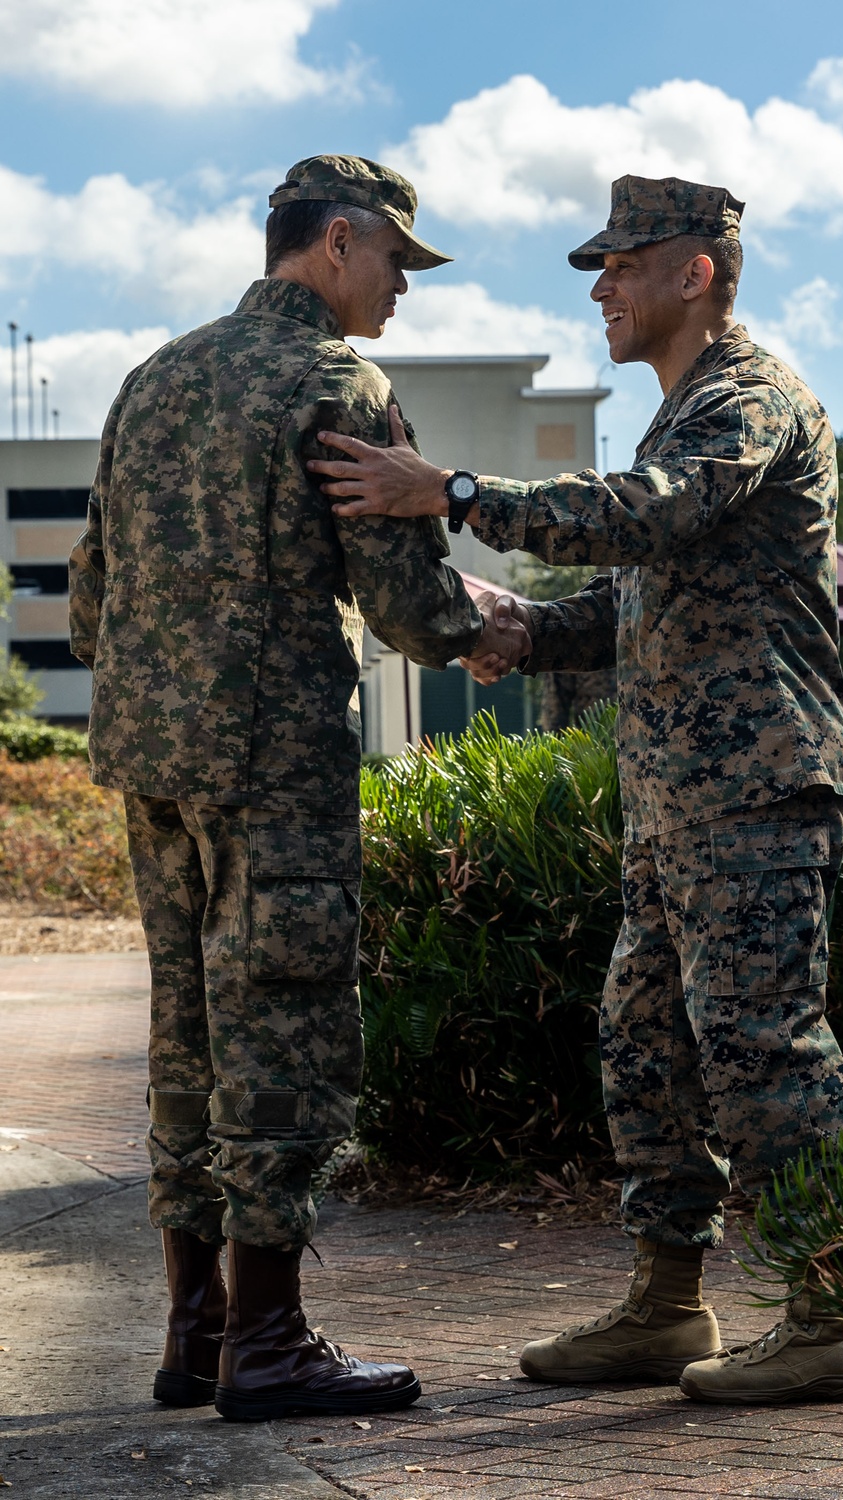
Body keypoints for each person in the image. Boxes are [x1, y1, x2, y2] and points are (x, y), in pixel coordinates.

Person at [304, 173, 843, 1405]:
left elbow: (651, 519)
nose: (601, 288)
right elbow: (646, 603)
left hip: (759, 789)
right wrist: (524, 634)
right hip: (675, 795)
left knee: (762, 1045)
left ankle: (833, 1315)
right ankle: (666, 1309)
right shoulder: (680, 411)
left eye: (623, 265)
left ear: (697, 272)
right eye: (598, 268)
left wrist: (454, 494)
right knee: (645, 1040)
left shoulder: (749, 400)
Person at [68, 153, 528, 1423]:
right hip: (272, 767)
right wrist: (482, 629)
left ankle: (196, 1334)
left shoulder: (151, 380)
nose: (400, 289)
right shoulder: (337, 381)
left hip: (149, 763)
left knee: (187, 1037)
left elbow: (90, 604)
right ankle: (267, 1345)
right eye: (394, 261)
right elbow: (404, 599)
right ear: (336, 242)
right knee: (284, 1031)